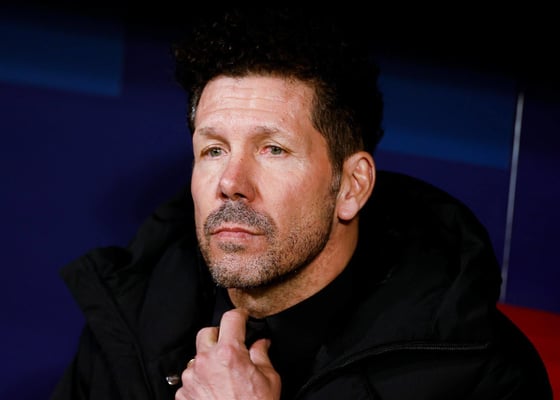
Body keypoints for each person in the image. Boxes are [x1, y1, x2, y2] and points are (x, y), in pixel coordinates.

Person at [51, 8, 552, 400]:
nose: (231, 183)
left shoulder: (483, 375)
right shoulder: (126, 325)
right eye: (214, 150)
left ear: (352, 186)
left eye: (273, 149)